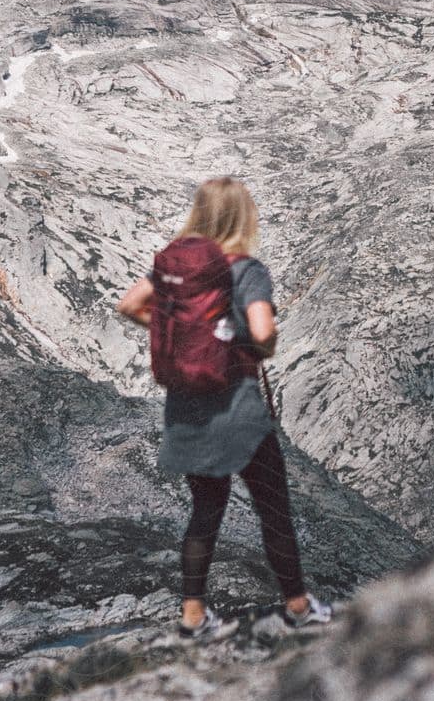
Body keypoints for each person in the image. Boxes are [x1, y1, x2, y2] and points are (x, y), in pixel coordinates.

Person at [118, 175, 332, 639]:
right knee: (273, 509)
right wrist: (259, 345)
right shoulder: (245, 269)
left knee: (205, 510)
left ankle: (193, 618)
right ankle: (298, 607)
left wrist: (177, 335)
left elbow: (129, 304)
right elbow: (260, 331)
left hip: (187, 409)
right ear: (243, 216)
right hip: (238, 411)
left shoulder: (178, 268)